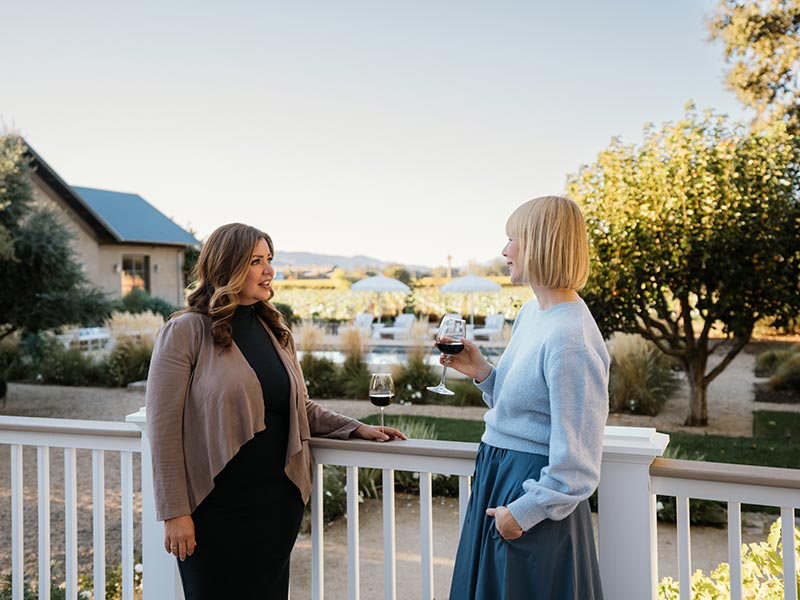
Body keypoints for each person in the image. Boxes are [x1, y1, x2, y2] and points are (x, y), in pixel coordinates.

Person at [145, 223, 406, 600]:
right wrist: (174, 513)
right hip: (214, 510)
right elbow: (163, 429)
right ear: (227, 267)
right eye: (256, 261)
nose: (270, 271)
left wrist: (354, 428)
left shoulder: (274, 328)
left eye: (270, 260)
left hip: (276, 506)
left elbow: (299, 407)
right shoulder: (186, 331)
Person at [446, 196, 609, 599]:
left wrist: (521, 514)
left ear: (541, 243)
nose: (504, 251)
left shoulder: (571, 337)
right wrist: (483, 372)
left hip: (529, 495)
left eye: (512, 239)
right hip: (498, 477)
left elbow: (579, 462)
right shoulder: (532, 314)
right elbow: (524, 410)